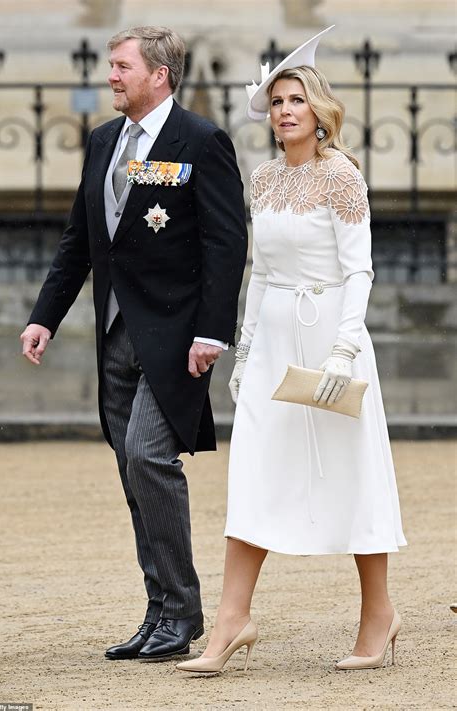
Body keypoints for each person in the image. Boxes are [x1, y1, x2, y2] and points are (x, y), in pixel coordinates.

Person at [177, 27, 406, 675]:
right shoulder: (267, 179)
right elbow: (262, 274)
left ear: (318, 108)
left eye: (295, 99)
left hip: (333, 336)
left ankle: (379, 613)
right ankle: (230, 621)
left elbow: (360, 270)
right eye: (276, 100)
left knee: (352, 471)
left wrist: (343, 350)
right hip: (275, 340)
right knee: (254, 473)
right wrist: (246, 355)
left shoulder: (342, 177)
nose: (284, 110)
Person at [20, 26, 247, 662]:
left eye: (121, 67)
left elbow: (226, 245)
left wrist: (212, 331)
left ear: (159, 75)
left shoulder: (201, 141)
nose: (111, 76)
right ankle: (159, 612)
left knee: (149, 456)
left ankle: (185, 610)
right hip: (115, 335)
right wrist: (46, 316)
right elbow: (79, 240)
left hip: (176, 337)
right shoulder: (102, 142)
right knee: (130, 470)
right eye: (111, 66)